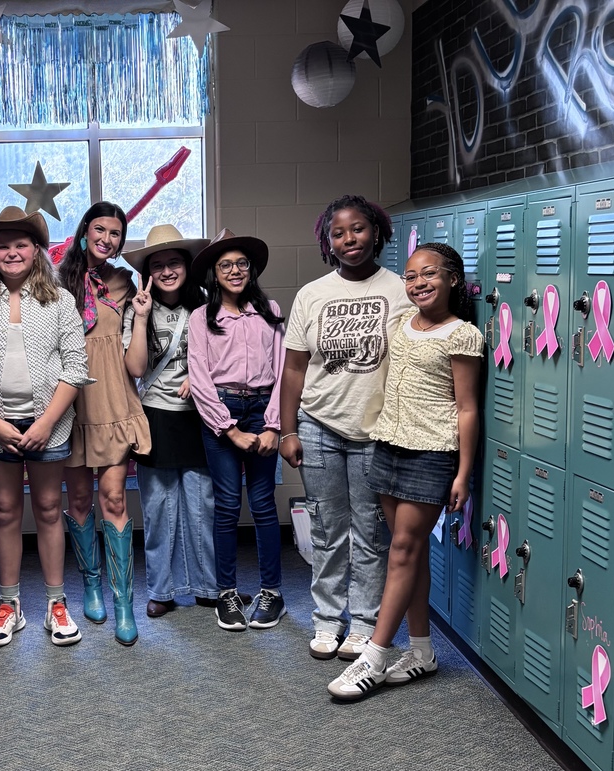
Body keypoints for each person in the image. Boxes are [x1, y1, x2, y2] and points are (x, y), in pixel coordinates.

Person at [327, 242, 482, 700]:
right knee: (407, 557)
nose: (419, 283)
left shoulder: (463, 335)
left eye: (429, 274)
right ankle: (422, 652)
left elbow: (468, 409)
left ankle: (373, 656)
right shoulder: (400, 324)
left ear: (453, 278)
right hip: (389, 446)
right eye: (411, 276)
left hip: (431, 453)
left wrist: (463, 473)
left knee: (402, 552)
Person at [279, 194, 411, 661]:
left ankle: (364, 622)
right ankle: (326, 619)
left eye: (357, 229)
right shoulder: (312, 294)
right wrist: (287, 429)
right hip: (318, 426)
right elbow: (294, 368)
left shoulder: (400, 289)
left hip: (375, 430)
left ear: (376, 231)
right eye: (338, 232)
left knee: (370, 532)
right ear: (326, 240)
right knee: (326, 527)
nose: (349, 239)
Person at [0, 207, 91, 648]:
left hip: (49, 424)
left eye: (20, 244)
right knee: (6, 512)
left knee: (50, 509)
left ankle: (56, 603)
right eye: (2, 245)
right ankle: (8, 604)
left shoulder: (59, 301)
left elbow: (76, 366)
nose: (11, 252)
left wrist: (47, 422)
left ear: (36, 251)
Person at [57, 201, 151, 646]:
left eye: (116, 233)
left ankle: (123, 602)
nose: (108, 239)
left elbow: (135, 364)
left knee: (113, 497)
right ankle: (91, 584)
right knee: (78, 497)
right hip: (71, 400)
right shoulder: (55, 278)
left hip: (113, 396)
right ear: (84, 231)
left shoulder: (125, 283)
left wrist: (145, 315)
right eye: (100, 229)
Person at [187, 229, 287, 632]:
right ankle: (226, 593)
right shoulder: (202, 317)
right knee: (227, 505)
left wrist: (274, 426)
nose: (234, 270)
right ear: (214, 273)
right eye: (225, 265)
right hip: (221, 412)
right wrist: (228, 430)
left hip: (263, 409)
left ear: (252, 269)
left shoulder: (270, 310)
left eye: (241, 264)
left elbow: (284, 372)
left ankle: (272, 593)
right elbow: (199, 378)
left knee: (263, 504)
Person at [122, 224, 218, 617]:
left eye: (173, 262)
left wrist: (200, 374)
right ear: (148, 271)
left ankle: (207, 587)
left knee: (201, 507)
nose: (166, 271)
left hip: (202, 417)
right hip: (156, 417)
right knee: (159, 509)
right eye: (157, 264)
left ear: (187, 265)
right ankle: (161, 591)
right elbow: (135, 367)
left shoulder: (208, 302)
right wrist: (141, 318)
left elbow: (225, 356)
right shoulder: (138, 306)